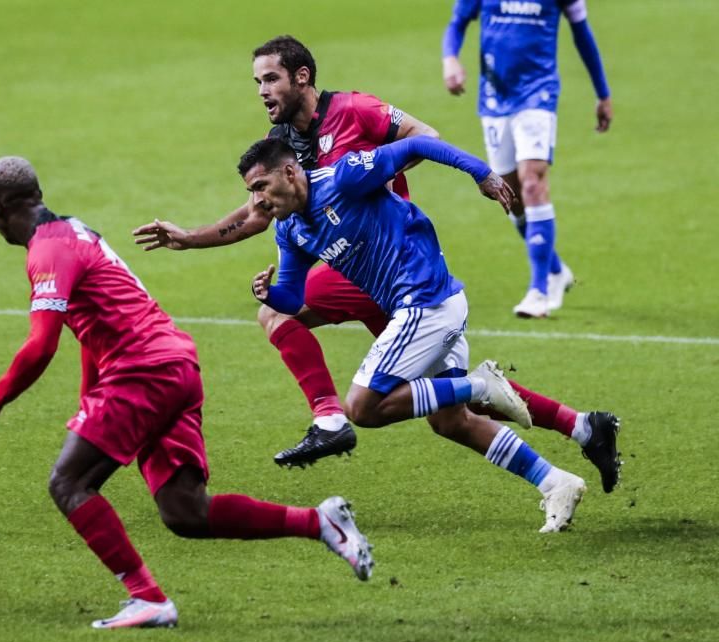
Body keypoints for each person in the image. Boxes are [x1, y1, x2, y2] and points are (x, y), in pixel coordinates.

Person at [133, 35, 620, 493]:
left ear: (301, 77)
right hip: (360, 271)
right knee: (447, 410)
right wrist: (191, 238)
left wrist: (369, 187)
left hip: (392, 262)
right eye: (257, 82)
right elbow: (261, 212)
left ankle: (330, 420)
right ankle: (581, 430)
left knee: (283, 320)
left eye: (270, 79)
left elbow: (423, 136)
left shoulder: (352, 109)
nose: (262, 91)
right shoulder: (281, 144)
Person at [0, 157, 373, 630]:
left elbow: (41, 344)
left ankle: (147, 597)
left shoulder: (47, 251)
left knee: (68, 483)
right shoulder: (75, 232)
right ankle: (320, 523)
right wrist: (90, 400)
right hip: (175, 365)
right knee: (186, 511)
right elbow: (90, 332)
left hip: (144, 372)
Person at [241, 136, 587, 533]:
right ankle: (555, 481)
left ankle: (478, 386)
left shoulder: (345, 178)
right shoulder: (290, 230)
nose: (256, 202)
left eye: (260, 187)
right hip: (431, 307)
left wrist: (482, 172)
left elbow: (416, 145)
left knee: (362, 408)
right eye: (251, 192)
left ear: (288, 172)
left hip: (426, 301)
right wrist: (270, 296)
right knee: (451, 421)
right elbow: (293, 295)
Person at [442, 0, 612, 318]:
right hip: (494, 97)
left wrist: (602, 94)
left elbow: (582, 34)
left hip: (538, 93)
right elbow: (457, 21)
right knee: (510, 196)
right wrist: (450, 58)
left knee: (533, 182)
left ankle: (539, 290)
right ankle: (556, 269)